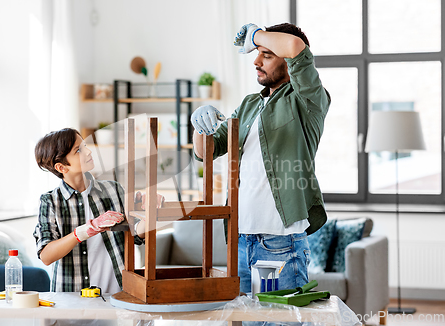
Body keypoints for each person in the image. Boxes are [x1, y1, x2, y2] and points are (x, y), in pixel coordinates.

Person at [191, 23, 330, 293]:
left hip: (281, 243)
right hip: (240, 240)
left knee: (280, 323)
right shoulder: (249, 105)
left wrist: (255, 33)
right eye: (257, 53)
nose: (256, 61)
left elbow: (296, 47)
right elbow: (205, 152)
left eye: (266, 54)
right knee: (246, 322)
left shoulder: (308, 101)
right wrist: (199, 127)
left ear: (289, 62)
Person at [33, 128, 164, 293]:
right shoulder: (50, 201)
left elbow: (136, 233)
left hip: (116, 294)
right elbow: (46, 255)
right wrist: (86, 230)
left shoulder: (113, 189)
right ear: (61, 167)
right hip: (71, 300)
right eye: (78, 150)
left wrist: (152, 213)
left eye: (85, 145)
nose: (88, 152)